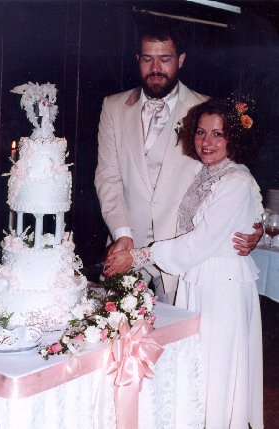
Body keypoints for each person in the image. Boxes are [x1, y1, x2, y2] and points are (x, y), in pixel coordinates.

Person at [104, 98, 263, 429]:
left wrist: (139, 256)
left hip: (222, 287)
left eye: (218, 134)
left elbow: (200, 241)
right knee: (199, 365)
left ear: (233, 137)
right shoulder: (206, 172)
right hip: (198, 278)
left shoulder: (236, 181)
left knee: (215, 366)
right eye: (202, 132)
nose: (207, 142)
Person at [94, 19, 262, 303]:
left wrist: (251, 225)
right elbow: (107, 176)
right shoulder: (113, 107)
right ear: (138, 60)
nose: (156, 68)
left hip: (183, 252)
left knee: (178, 340)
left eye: (165, 59)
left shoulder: (206, 110)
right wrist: (122, 233)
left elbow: (229, 176)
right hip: (125, 245)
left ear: (180, 60)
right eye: (148, 59)